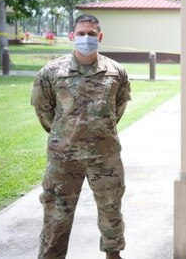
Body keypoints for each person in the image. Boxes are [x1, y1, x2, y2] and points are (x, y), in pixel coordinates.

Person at [31, 14, 131, 259]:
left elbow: (117, 109)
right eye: (82, 33)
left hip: (105, 157)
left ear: (100, 37)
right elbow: (44, 111)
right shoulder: (51, 72)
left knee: (111, 212)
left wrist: (98, 131)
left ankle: (113, 255)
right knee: (56, 215)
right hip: (64, 159)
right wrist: (66, 133)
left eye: (92, 33)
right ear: (72, 36)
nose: (87, 38)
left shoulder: (115, 72)